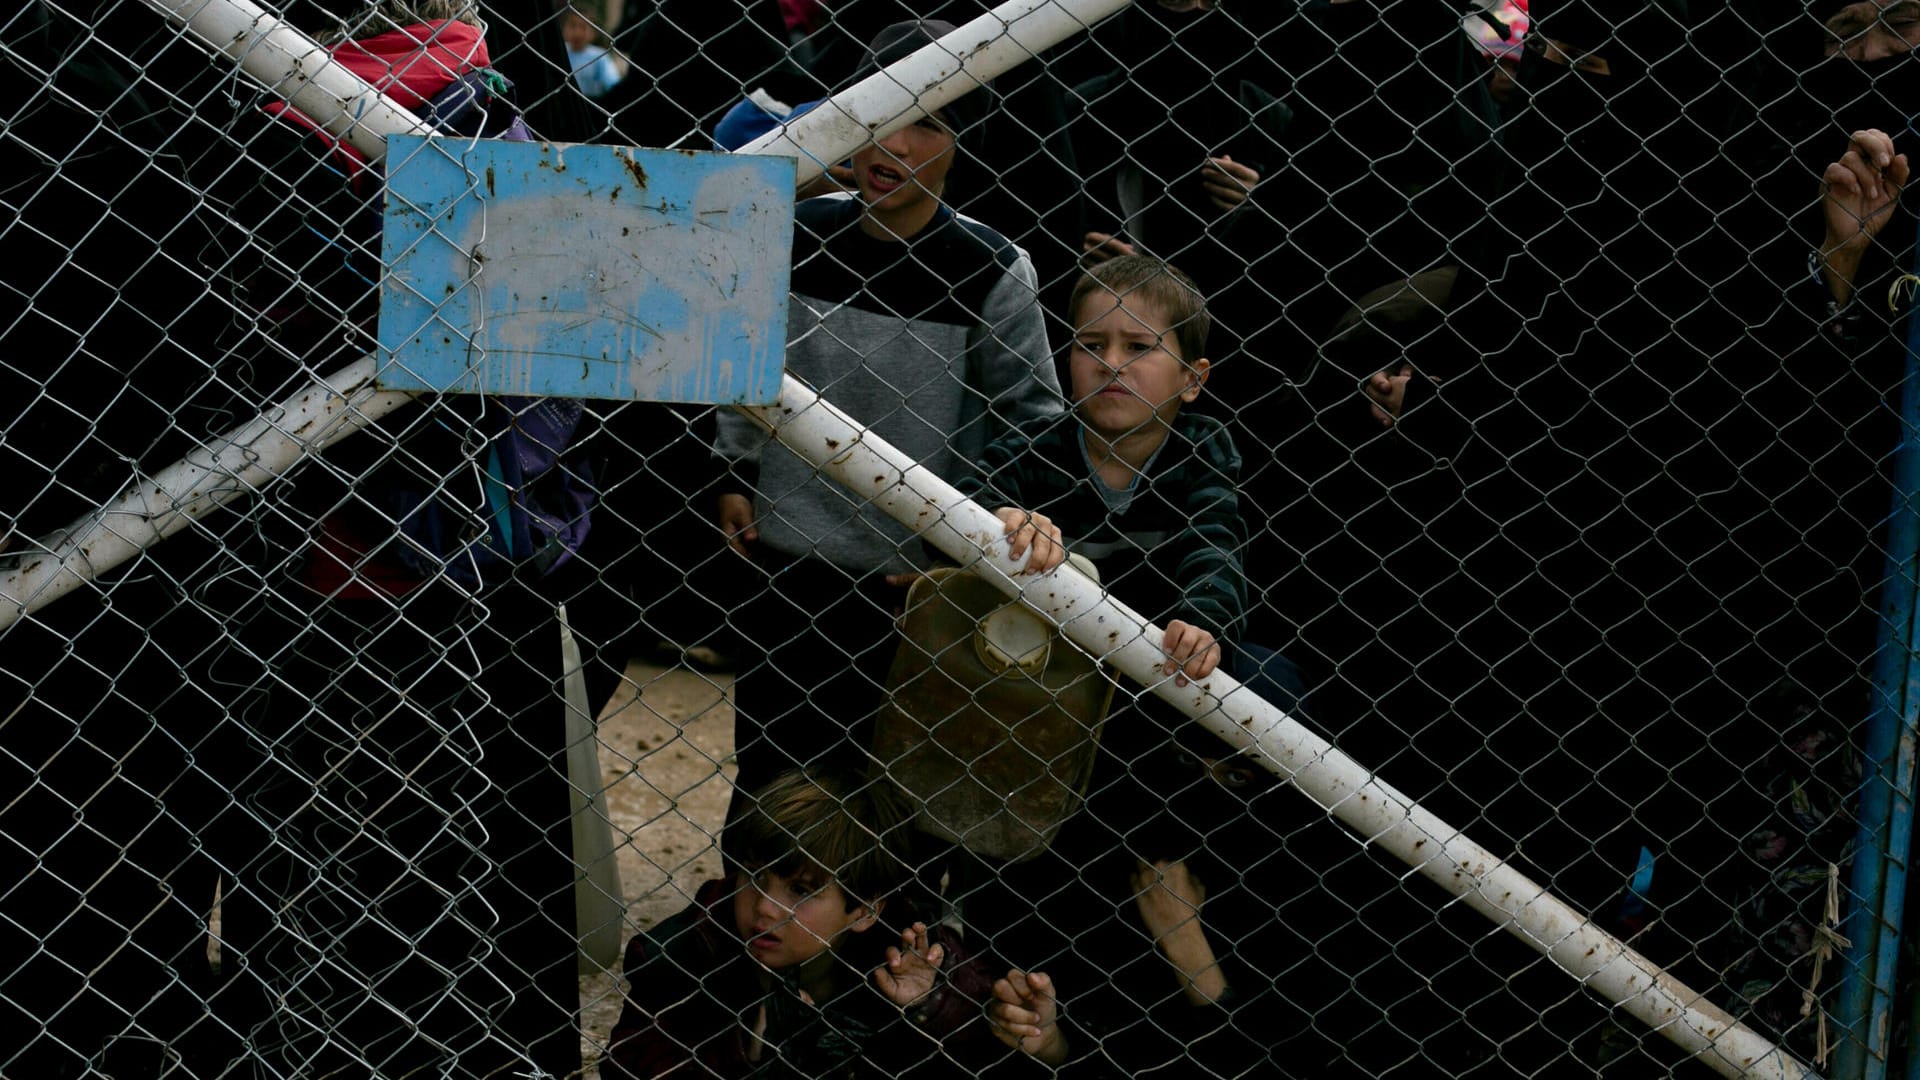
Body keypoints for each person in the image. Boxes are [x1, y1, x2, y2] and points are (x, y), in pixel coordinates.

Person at [190, 4, 589, 1076]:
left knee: (308, 854)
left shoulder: (247, 130)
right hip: (431, 564)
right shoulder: (502, 134)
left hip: (308, 561)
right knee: (431, 863)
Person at [711, 19, 1063, 821]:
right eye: (880, 111)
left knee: (890, 791)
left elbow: (1032, 413)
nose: (893, 142)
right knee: (768, 772)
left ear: (961, 142)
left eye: (928, 122)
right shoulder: (800, 233)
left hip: (913, 584)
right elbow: (747, 355)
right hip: (788, 557)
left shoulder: (992, 269)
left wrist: (966, 535)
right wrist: (732, 471)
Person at [600, 768, 1002, 1078]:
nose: (766, 910)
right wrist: (745, 1049)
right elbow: (625, 1063)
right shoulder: (692, 943)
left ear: (864, 910)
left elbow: (990, 1049)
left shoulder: (914, 951)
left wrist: (928, 1009)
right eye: (755, 876)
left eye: (802, 889)